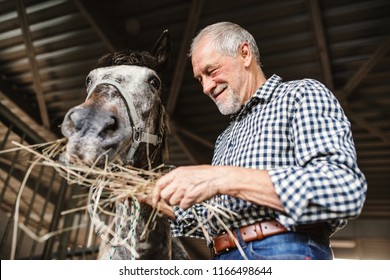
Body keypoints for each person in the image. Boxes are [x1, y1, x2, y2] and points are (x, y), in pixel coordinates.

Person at [149, 22, 367, 260]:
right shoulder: (226, 137)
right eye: (200, 79)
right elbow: (217, 217)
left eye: (211, 71)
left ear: (245, 54)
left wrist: (220, 178)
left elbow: (342, 187)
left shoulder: (300, 95)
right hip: (222, 257)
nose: (206, 87)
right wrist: (156, 202)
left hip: (284, 251)